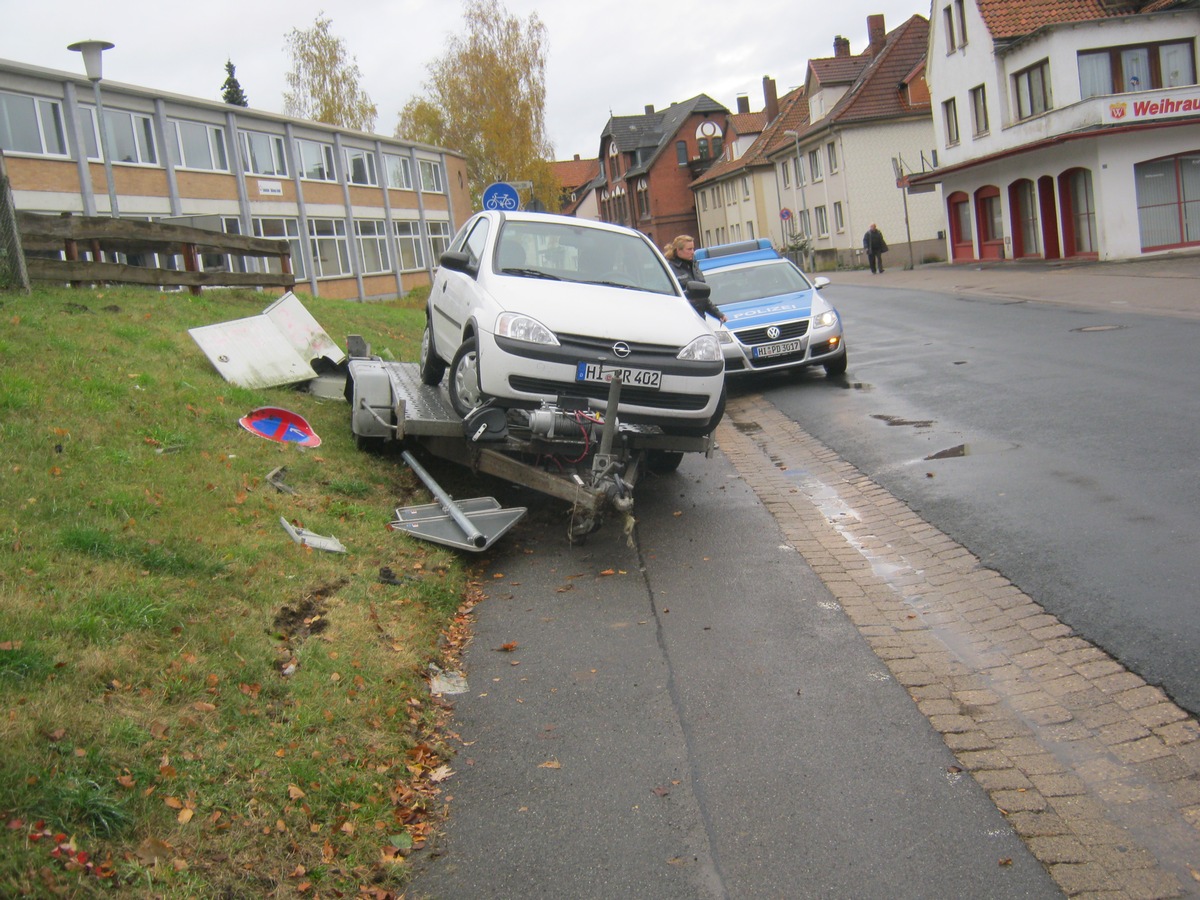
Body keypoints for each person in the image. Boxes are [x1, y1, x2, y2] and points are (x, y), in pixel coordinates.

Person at [663, 235, 726, 323]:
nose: (693, 252)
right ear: (678, 250)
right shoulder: (669, 268)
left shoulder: (694, 266)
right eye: (689, 249)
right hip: (683, 318)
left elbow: (702, 297)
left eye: (693, 249)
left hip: (699, 317)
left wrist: (718, 314)